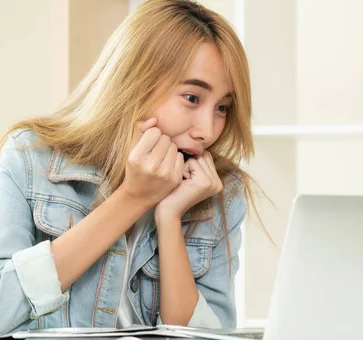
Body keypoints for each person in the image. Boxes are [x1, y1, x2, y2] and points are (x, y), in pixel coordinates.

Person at [0, 0, 263, 335]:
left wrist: (168, 218)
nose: (208, 131)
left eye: (223, 107)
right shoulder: (30, 158)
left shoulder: (219, 192)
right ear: (135, 83)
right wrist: (133, 198)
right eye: (193, 99)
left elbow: (207, 336)